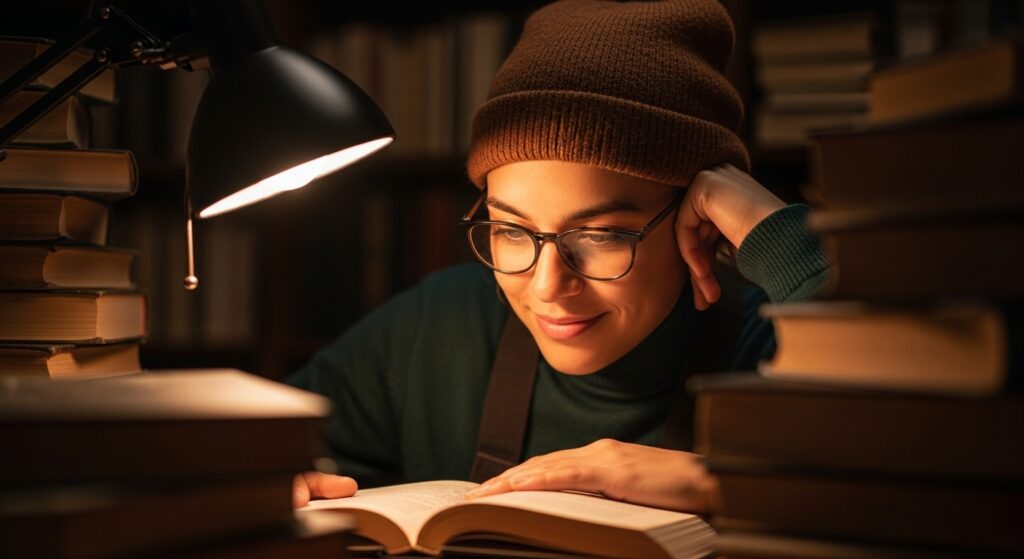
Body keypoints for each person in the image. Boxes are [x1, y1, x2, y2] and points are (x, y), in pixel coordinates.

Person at [286, 0, 829, 512]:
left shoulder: (779, 343)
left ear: (702, 227)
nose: (547, 286)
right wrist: (273, 477)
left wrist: (720, 483)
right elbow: (260, 445)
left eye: (599, 237)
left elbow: (885, 472)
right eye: (511, 230)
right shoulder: (440, 324)